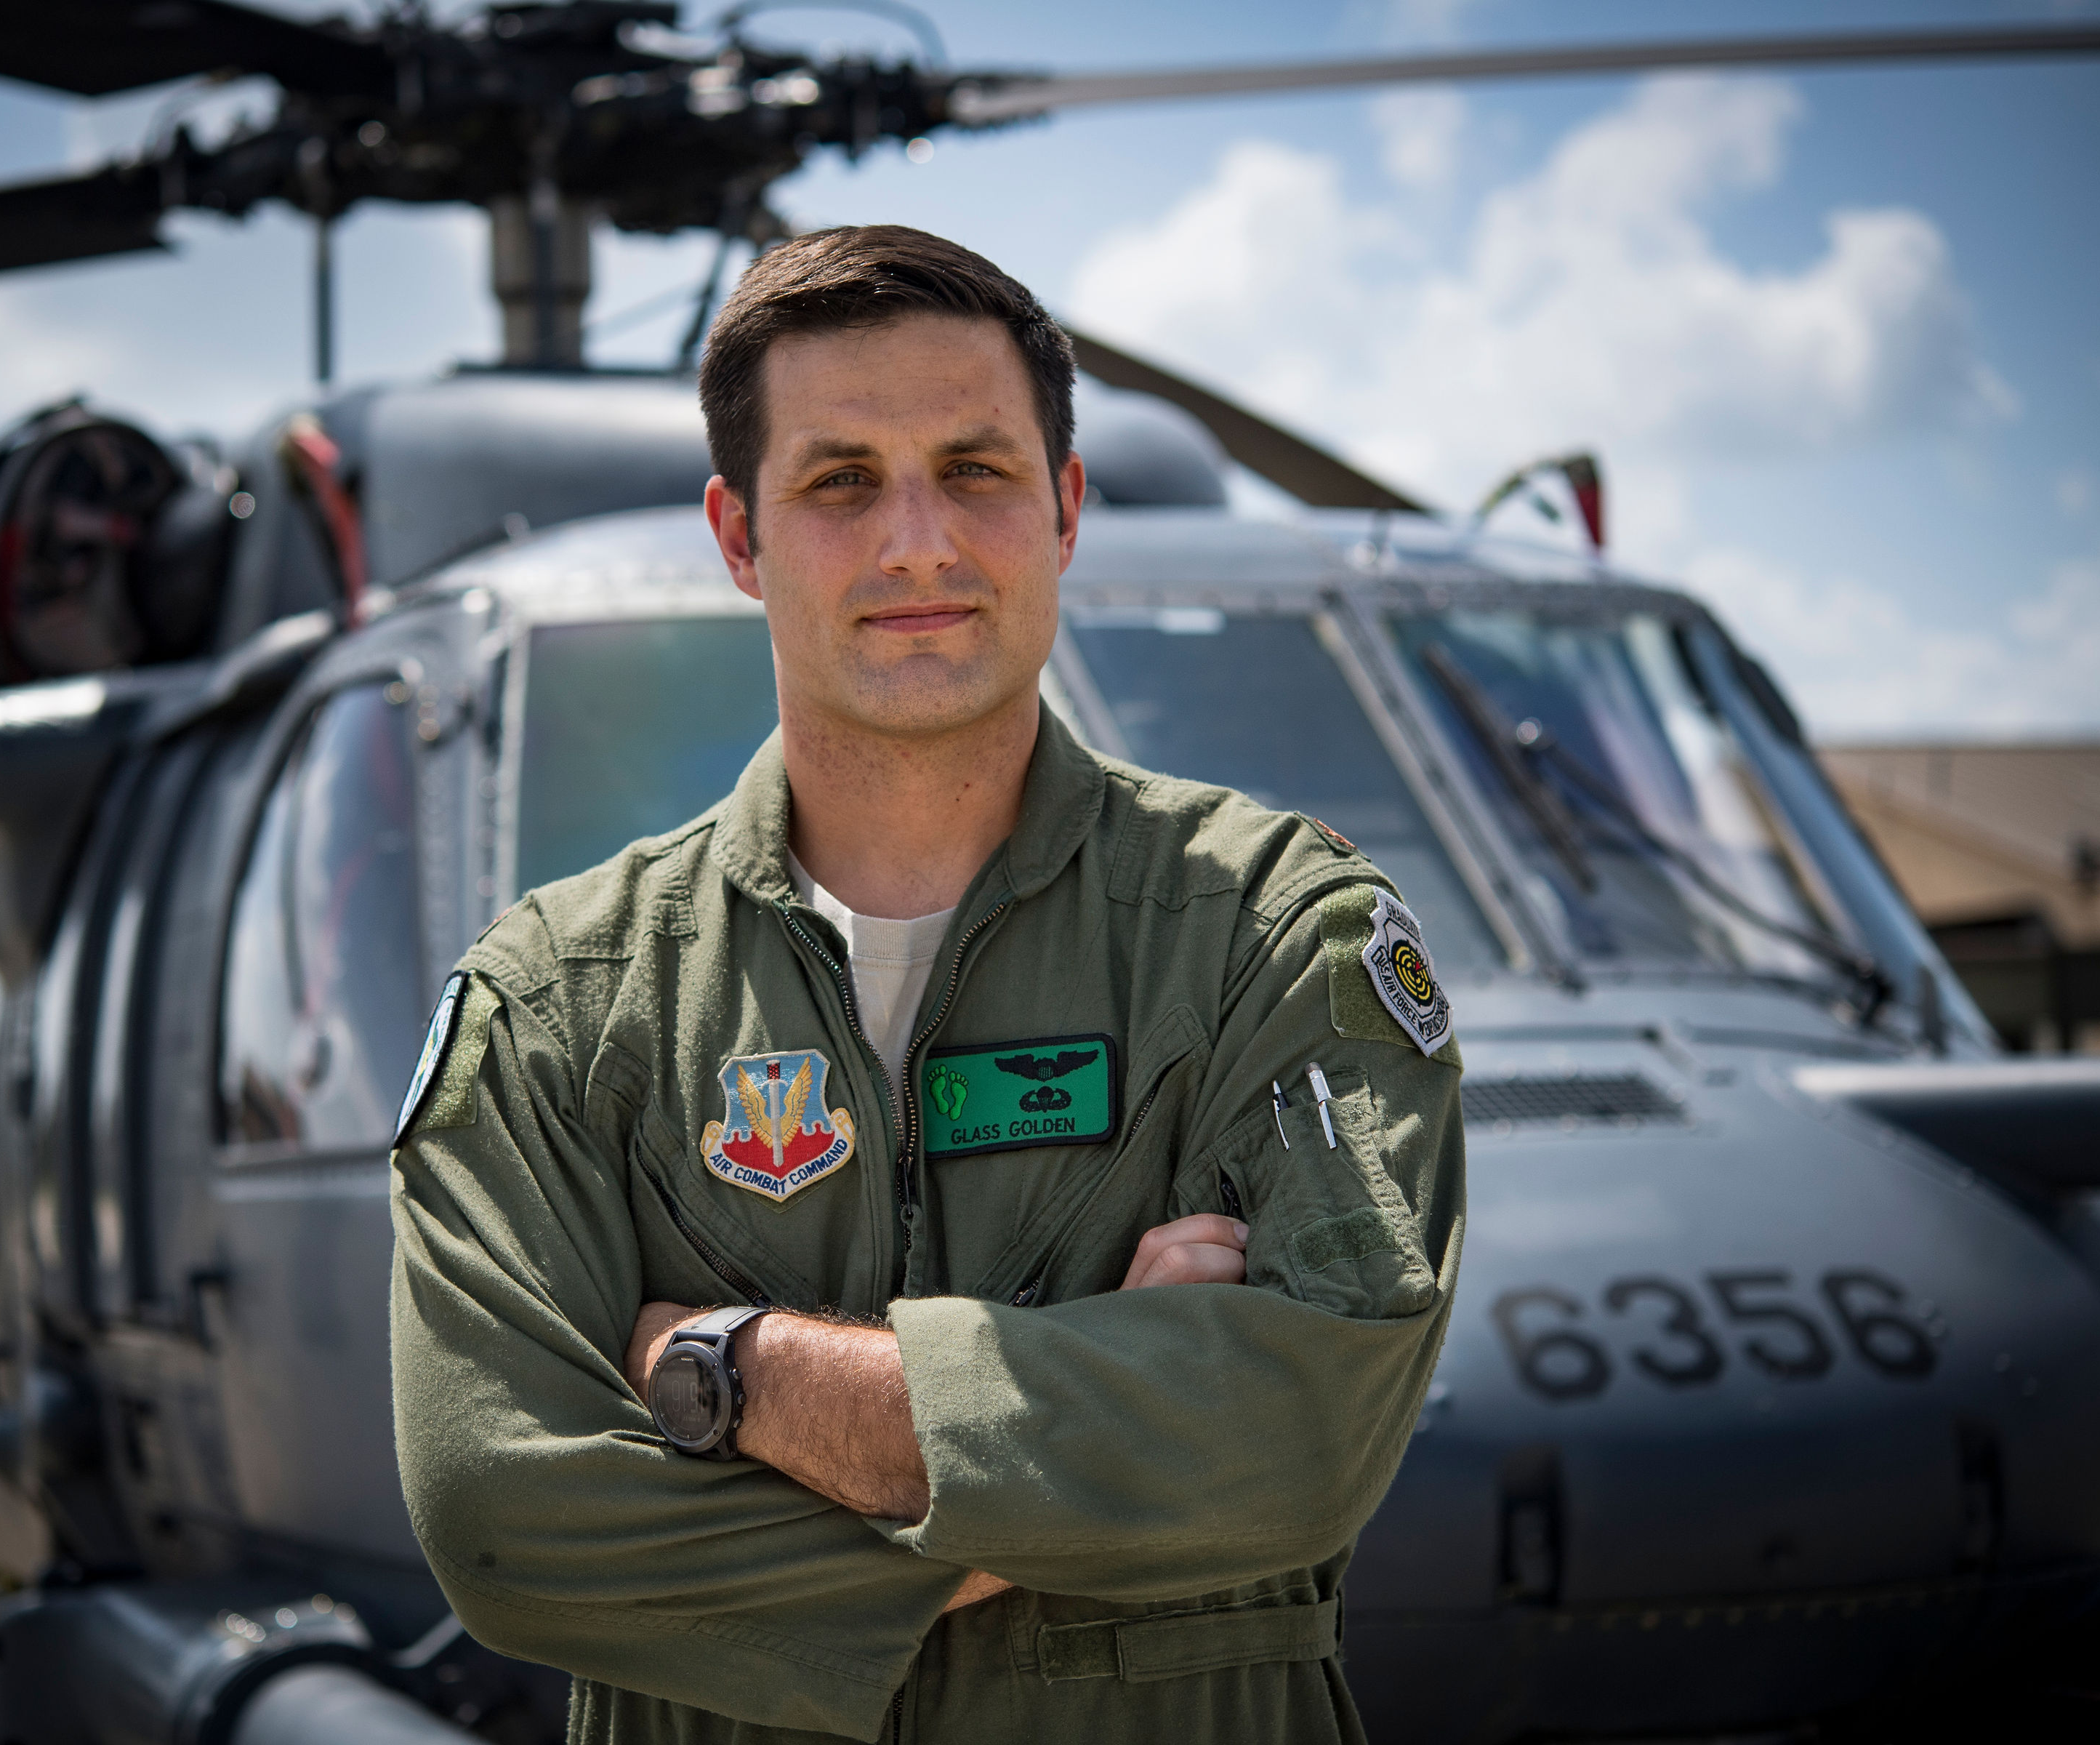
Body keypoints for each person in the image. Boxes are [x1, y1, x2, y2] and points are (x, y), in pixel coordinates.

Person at [389, 225, 1465, 1744]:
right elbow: (504, 1519)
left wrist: (726, 1374)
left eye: (976, 470)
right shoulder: (561, 1003)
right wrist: (1088, 1421)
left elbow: (1299, 1430)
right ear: (740, 536)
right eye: (840, 482)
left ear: (1067, 507)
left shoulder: (1270, 937)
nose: (918, 545)